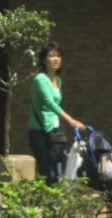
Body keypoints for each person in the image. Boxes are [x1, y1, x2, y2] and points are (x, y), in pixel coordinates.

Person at [28, 41, 85, 184]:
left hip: (55, 130)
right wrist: (71, 120)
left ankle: (53, 200)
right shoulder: (40, 79)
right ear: (43, 59)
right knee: (48, 171)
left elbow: (55, 105)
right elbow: (50, 103)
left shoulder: (58, 80)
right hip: (40, 130)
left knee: (56, 168)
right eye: (51, 56)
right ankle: (46, 201)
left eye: (58, 56)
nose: (56, 59)